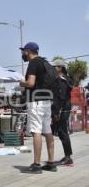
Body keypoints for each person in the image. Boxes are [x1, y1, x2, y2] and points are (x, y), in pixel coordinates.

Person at [19, 42, 57, 173]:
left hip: (35, 102)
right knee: (48, 131)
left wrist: (21, 82)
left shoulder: (33, 63)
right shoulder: (45, 63)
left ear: (28, 51)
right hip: (47, 101)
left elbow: (30, 83)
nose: (22, 54)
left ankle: (36, 164)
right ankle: (51, 163)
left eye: (23, 51)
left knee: (36, 132)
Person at [51, 59, 74, 165]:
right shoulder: (65, 78)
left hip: (62, 109)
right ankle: (67, 156)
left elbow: (61, 97)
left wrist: (56, 112)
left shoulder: (61, 80)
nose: (53, 69)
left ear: (60, 67)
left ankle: (68, 157)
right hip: (64, 108)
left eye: (54, 67)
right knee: (61, 132)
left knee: (62, 132)